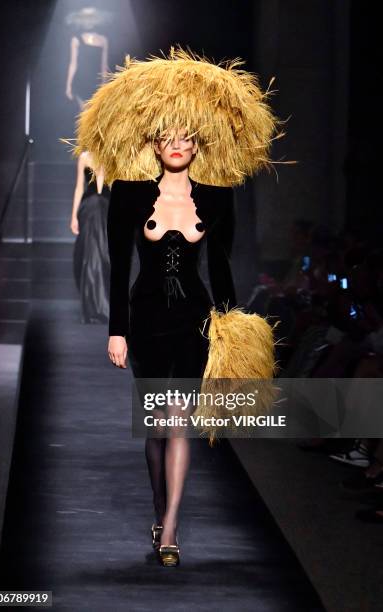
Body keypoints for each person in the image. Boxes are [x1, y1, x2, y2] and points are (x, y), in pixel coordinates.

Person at [73, 46, 280, 567]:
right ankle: (158, 504)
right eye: (168, 137)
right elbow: (121, 266)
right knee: (155, 426)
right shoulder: (128, 193)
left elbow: (224, 263)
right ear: (155, 142)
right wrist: (116, 331)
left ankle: (170, 528)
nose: (178, 145)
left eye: (186, 137)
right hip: (145, 322)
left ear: (197, 144)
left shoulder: (215, 196)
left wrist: (233, 326)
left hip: (194, 322)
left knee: (179, 420)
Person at [71, 151, 110, 324]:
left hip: (108, 208)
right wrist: (73, 216)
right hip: (89, 208)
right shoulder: (85, 157)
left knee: (105, 253)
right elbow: (80, 186)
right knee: (89, 254)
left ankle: (104, 303)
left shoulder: (115, 154)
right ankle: (93, 307)